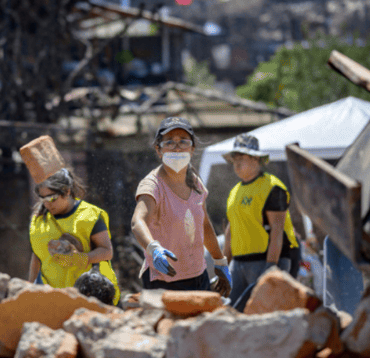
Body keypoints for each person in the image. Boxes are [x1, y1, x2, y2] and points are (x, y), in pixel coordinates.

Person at [131, 117, 232, 295]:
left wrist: (220, 261)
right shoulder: (153, 185)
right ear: (159, 149)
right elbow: (138, 222)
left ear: (192, 149)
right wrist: (153, 248)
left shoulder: (194, 182)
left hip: (198, 276)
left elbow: (204, 225)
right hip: (164, 279)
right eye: (169, 142)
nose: (177, 148)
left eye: (183, 142)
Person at [222, 134, 300, 303]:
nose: (236, 163)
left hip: (265, 260)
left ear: (256, 159)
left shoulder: (272, 187)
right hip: (239, 263)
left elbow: (277, 229)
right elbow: (230, 231)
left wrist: (271, 266)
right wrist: (223, 266)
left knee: (265, 310)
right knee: (231, 309)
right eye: (235, 159)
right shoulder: (235, 192)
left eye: (242, 158)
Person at [28, 168, 120, 304]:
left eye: (52, 198)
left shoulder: (90, 215)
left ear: (67, 191)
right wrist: (29, 289)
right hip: (54, 299)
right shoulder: (39, 219)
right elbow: (37, 256)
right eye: (43, 199)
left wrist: (81, 259)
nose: (47, 204)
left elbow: (107, 251)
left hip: (92, 296)